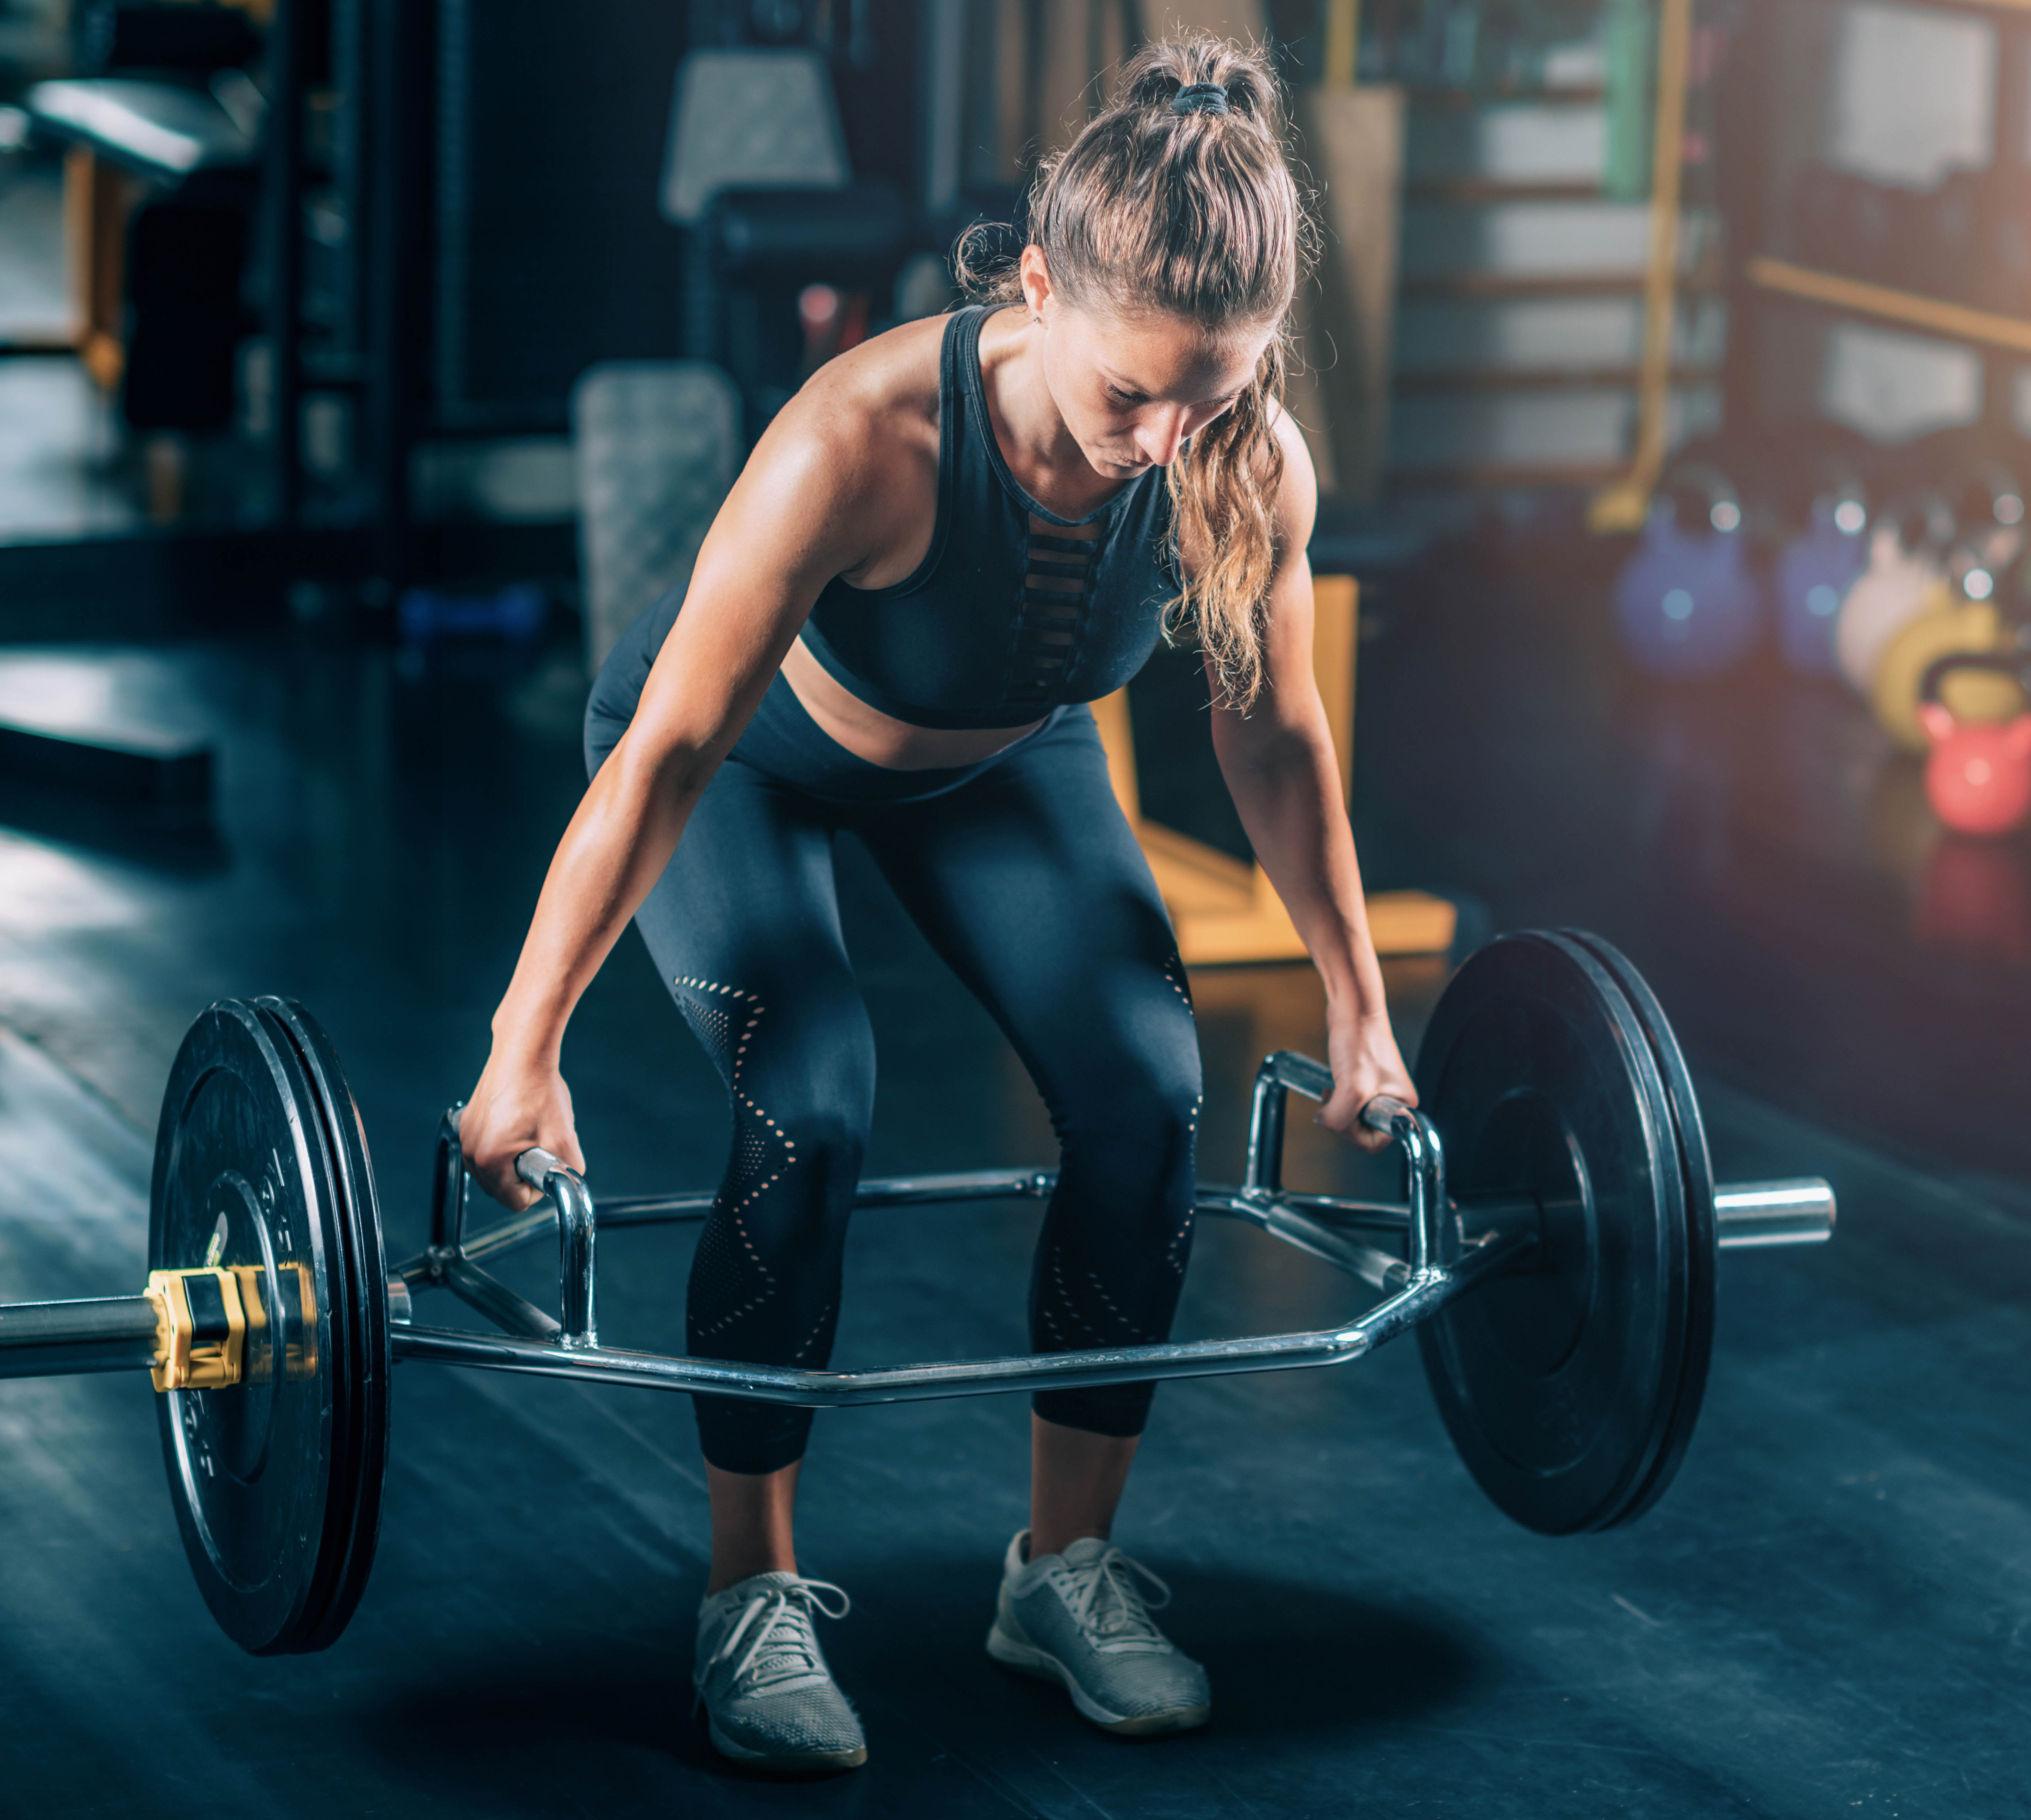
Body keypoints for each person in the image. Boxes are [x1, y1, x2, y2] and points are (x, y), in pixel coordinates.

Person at [454, 37, 1415, 1775]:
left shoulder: (1240, 457)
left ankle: (1062, 1569)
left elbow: (1273, 730)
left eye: (1211, 396)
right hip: (748, 760)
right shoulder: (862, 437)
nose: (1161, 443)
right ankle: (750, 1598)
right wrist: (524, 1046)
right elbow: (669, 748)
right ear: (1040, 285)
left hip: (1000, 762)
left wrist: (1356, 1003)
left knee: (1144, 1091)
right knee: (810, 1104)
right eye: (1130, 395)